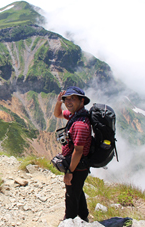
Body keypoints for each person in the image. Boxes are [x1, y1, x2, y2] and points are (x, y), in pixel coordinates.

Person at [53, 86, 92, 222]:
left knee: (71, 195)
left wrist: (70, 171)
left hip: (77, 166)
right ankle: (84, 216)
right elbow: (57, 114)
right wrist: (59, 102)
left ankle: (70, 220)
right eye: (66, 99)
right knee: (77, 191)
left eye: (72, 99)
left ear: (82, 101)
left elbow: (78, 151)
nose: (68, 102)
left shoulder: (80, 124)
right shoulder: (75, 115)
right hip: (77, 165)